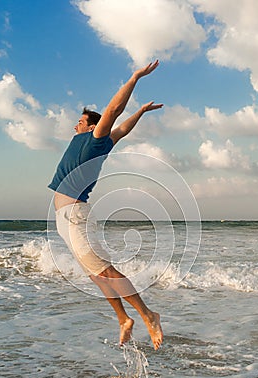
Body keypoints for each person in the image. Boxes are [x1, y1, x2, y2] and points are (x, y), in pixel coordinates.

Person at [48, 60, 164, 350]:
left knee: (104, 270)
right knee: (94, 274)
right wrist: (140, 112)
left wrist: (135, 77)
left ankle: (148, 315)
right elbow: (123, 129)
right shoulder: (95, 142)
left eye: (80, 120)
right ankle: (124, 319)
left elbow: (113, 113)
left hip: (75, 214)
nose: (75, 123)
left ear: (91, 125)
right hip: (66, 218)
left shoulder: (94, 140)